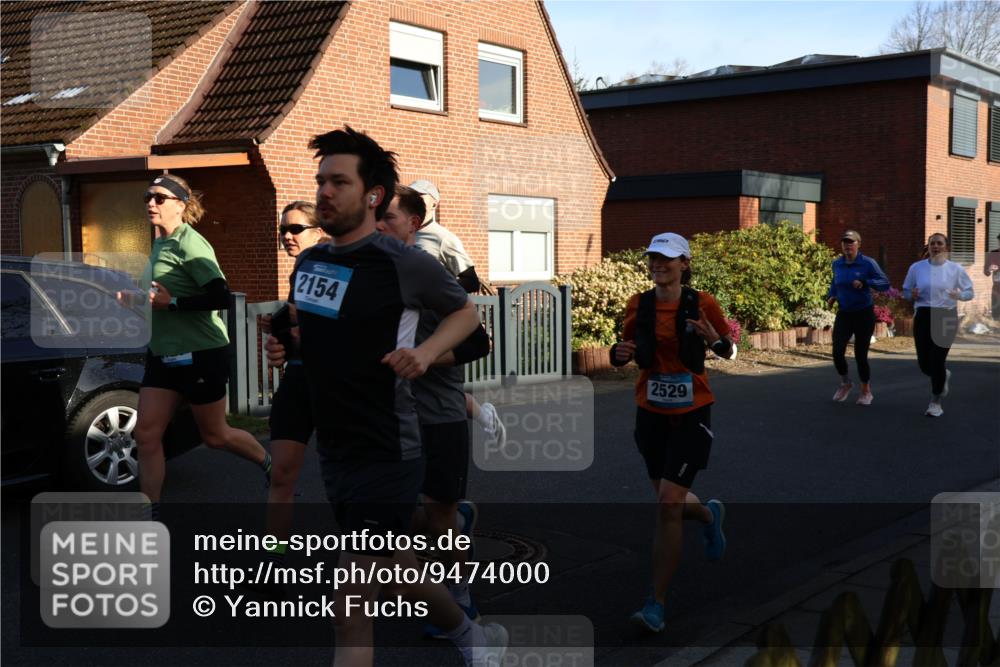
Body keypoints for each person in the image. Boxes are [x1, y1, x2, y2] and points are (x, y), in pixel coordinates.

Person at [265, 127, 506, 667]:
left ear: (372, 195)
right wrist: (285, 348)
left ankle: (468, 635)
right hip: (337, 448)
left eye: (339, 182)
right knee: (397, 566)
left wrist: (425, 354)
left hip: (390, 445)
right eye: (321, 180)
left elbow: (466, 314)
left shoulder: (404, 262)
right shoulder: (311, 263)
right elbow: (307, 328)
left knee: (352, 601)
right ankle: (470, 635)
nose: (325, 191)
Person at [376, 185, 489, 638]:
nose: (381, 224)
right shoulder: (377, 276)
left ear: (414, 224)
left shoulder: (430, 273)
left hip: (438, 413)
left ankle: (462, 603)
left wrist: (423, 357)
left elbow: (479, 341)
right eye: (377, 217)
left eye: (389, 217)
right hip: (390, 416)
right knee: (391, 512)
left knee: (435, 517)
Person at [609, 232, 733, 634]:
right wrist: (619, 354)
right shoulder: (638, 304)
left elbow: (729, 349)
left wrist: (716, 342)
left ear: (684, 263)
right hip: (650, 413)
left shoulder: (703, 303)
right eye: (654, 258)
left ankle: (655, 603)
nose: (658, 264)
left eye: (667, 258)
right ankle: (709, 514)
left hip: (692, 411)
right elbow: (625, 349)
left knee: (667, 502)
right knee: (671, 501)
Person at [129, 174, 271, 518]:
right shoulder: (160, 243)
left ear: (180, 205)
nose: (151, 203)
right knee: (146, 434)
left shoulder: (191, 244)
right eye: (148, 197)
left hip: (201, 353)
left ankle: (272, 465)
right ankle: (150, 510)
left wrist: (173, 304)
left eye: (160, 198)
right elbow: (160, 295)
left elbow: (219, 296)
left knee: (215, 435)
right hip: (163, 353)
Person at [410, 179, 505, 448]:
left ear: (434, 202)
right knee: (423, 384)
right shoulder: (403, 234)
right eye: (411, 195)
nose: (415, 199)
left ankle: (480, 422)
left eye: (421, 195)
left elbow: (470, 280)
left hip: (437, 324)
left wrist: (435, 293)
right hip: (412, 322)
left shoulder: (442, 238)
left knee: (436, 383)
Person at [261, 201, 328, 580]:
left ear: (318, 232)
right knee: (282, 475)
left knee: (352, 487)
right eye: (283, 230)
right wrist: (279, 341)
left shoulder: (332, 265)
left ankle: (438, 526)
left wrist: (284, 332)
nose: (287, 236)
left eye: (296, 229)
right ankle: (275, 562)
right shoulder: (299, 270)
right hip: (298, 382)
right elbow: (294, 327)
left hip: (334, 387)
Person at [902, 232, 975, 417]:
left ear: (946, 247)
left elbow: (969, 292)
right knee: (924, 364)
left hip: (945, 315)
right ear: (928, 246)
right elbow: (906, 291)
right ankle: (943, 374)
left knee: (937, 359)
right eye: (932, 243)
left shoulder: (955, 269)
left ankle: (935, 402)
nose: (936, 247)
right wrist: (912, 294)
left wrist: (959, 295)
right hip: (924, 314)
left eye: (939, 243)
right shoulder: (916, 268)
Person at [826, 230, 891, 405]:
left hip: (863, 313)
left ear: (858, 244)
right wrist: (832, 296)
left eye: (851, 242)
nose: (847, 245)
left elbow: (885, 283)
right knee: (837, 351)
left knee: (860, 354)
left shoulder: (868, 263)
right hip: (844, 313)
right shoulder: (837, 264)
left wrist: (866, 282)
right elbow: (835, 282)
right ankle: (846, 383)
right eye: (845, 242)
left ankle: (865, 390)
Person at [985, 232, 1000, 320]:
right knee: (996, 315)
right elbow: (986, 272)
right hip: (997, 289)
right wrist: (989, 269)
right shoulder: (993, 253)